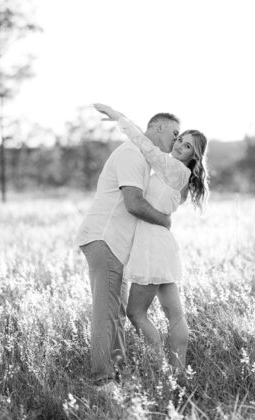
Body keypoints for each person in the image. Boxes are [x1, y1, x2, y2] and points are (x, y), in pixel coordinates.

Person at [93, 103, 209, 375]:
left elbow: (146, 147)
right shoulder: (179, 174)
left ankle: (160, 366)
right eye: (180, 139)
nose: (180, 144)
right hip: (161, 244)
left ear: (195, 155)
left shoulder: (175, 170)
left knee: (136, 313)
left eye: (188, 146)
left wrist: (119, 118)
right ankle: (178, 372)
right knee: (174, 314)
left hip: (152, 246)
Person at [73, 110, 180, 390]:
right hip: (104, 239)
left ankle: (116, 376)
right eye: (174, 134)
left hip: (116, 246)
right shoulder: (132, 155)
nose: (176, 140)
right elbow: (133, 203)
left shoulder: (144, 160)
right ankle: (102, 381)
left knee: (116, 312)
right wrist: (165, 220)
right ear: (157, 127)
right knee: (106, 312)